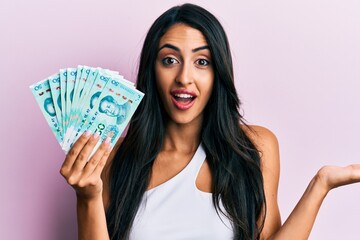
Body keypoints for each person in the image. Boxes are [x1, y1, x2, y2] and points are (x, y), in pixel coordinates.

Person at [59, 3, 360, 240]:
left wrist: (321, 184)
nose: (184, 78)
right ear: (152, 71)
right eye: (169, 60)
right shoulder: (114, 157)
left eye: (202, 62)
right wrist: (88, 197)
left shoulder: (256, 147)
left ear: (218, 74)